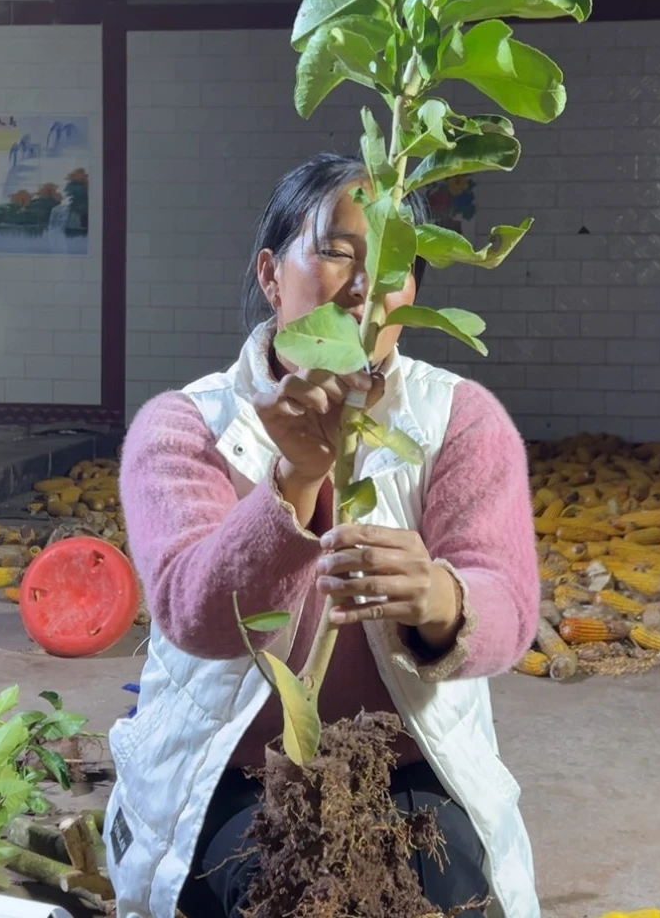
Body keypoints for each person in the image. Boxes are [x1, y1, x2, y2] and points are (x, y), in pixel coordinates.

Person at [103, 153, 541, 918]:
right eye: (338, 251)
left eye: (397, 268)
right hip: (231, 774)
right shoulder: (185, 427)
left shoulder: (459, 420)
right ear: (272, 275)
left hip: (407, 772)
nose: (368, 284)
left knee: (449, 895)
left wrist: (443, 601)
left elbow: (507, 605)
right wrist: (294, 484)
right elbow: (195, 613)